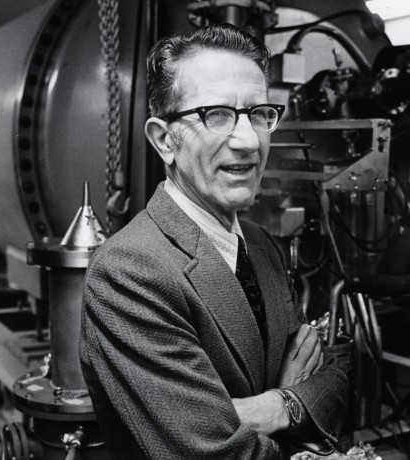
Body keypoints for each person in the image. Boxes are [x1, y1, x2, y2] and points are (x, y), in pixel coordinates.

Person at [79, 23, 349, 459]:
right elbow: (212, 454)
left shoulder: (260, 245)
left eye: (259, 114)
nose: (247, 141)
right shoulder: (130, 271)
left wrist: (272, 407)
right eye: (216, 115)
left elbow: (334, 379)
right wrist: (295, 412)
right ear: (165, 140)